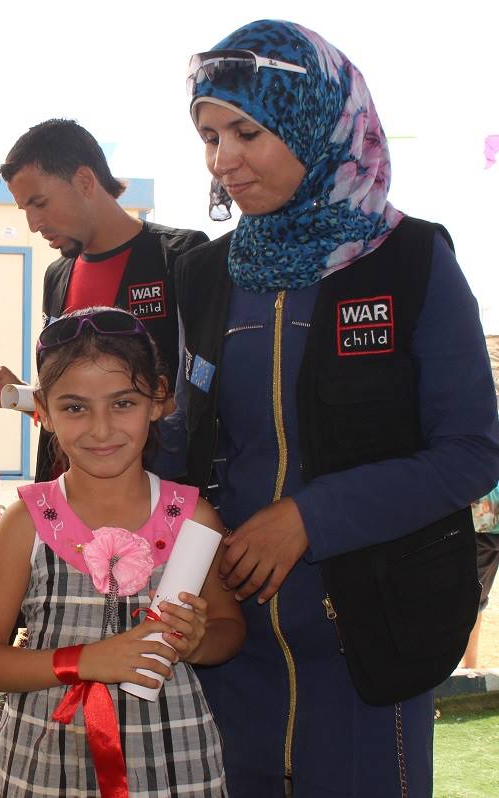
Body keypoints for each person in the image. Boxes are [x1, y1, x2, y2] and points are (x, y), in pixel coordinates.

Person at [175, 20, 499, 797]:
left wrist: (310, 517)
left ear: (314, 122)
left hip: (369, 648)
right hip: (224, 649)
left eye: (245, 132)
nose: (222, 161)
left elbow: (471, 452)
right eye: (208, 136)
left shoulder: (412, 261)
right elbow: (180, 443)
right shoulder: (202, 275)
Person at [0, 307, 244, 797]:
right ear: (43, 411)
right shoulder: (26, 522)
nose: (101, 429)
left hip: (173, 764)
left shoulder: (193, 519)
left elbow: (229, 629)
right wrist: (87, 660)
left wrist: (197, 642)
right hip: (42, 766)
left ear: (159, 400)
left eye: (122, 403)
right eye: (75, 408)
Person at [0, 119, 207, 481]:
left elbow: (204, 398)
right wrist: (23, 395)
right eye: (25, 210)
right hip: (64, 496)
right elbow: (73, 402)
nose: (33, 224)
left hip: (154, 495)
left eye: (40, 203)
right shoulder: (57, 276)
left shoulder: (180, 257)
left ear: (85, 181)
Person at [463, 483, 499, 668]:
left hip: (481, 519)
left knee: (470, 601)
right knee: (474, 600)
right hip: (486, 521)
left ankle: (470, 668)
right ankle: (470, 667)